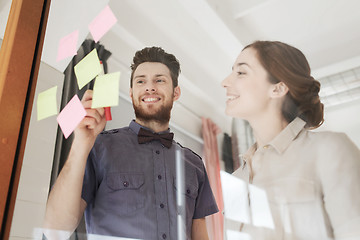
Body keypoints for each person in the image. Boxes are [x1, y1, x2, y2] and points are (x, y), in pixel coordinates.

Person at [43, 46, 218, 240]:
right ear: (132, 92)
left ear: (176, 92)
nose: (149, 87)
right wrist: (81, 144)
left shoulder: (194, 164)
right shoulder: (99, 147)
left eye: (159, 80)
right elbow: (54, 231)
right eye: (141, 81)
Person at [222, 40, 360, 239]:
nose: (225, 82)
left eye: (241, 73)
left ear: (277, 88)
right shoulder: (236, 179)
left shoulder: (330, 149)